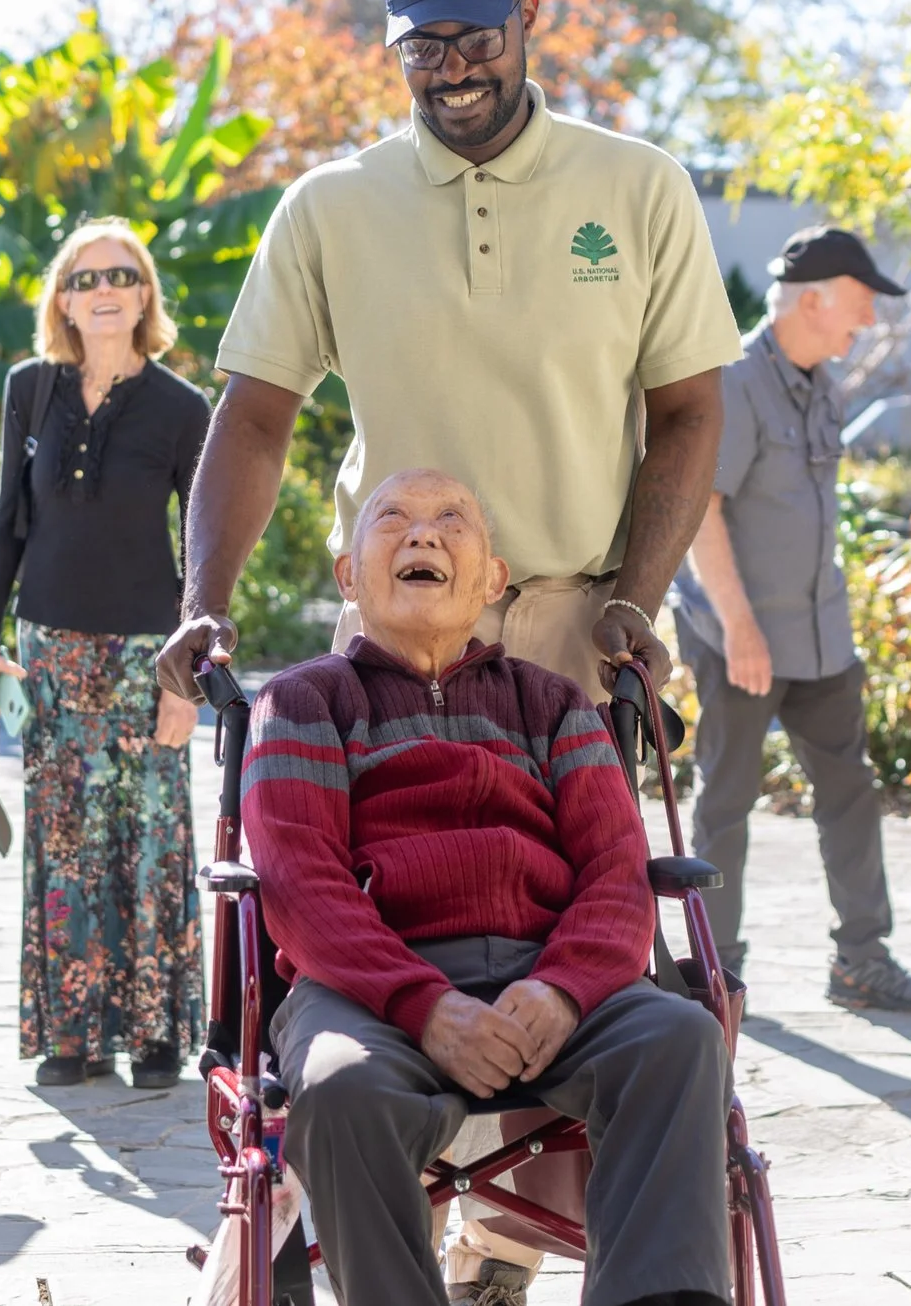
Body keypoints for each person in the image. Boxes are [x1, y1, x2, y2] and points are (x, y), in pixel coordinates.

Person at [159, 0, 742, 1304]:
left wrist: (635, 599)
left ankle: (513, 1241)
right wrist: (205, 602)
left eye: (475, 34)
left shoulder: (637, 184)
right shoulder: (334, 205)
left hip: (571, 607)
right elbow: (252, 418)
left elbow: (689, 412)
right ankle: (422, 1240)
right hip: (397, 618)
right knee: (383, 911)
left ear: (530, 20)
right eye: (423, 42)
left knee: (602, 950)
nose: (451, 65)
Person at [244, 468, 730, 1306]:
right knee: (338, 1085)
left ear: (493, 580)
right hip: (370, 986)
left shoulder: (553, 704)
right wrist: (423, 1003)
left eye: (450, 521)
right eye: (390, 519)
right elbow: (301, 884)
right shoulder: (304, 701)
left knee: (678, 1039)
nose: (423, 535)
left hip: (548, 971)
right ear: (350, 577)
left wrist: (564, 988)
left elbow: (617, 871)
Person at [673, 227, 911, 1015]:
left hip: (822, 636)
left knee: (850, 795)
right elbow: (702, 512)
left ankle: (861, 961)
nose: (867, 322)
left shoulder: (821, 382)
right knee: (725, 803)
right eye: (861, 304)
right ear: (815, 298)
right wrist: (739, 627)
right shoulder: (732, 381)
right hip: (743, 636)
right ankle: (715, 976)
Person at [0, 221, 210, 1090]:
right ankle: (71, 1036)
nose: (104, 289)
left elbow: (207, 547)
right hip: (49, 653)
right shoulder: (29, 390)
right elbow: (8, 524)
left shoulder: (184, 409)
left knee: (150, 842)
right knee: (63, 844)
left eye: (122, 274)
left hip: (149, 657)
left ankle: (153, 1036)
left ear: (144, 296)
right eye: (85, 276)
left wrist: (189, 678)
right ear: (62, 298)